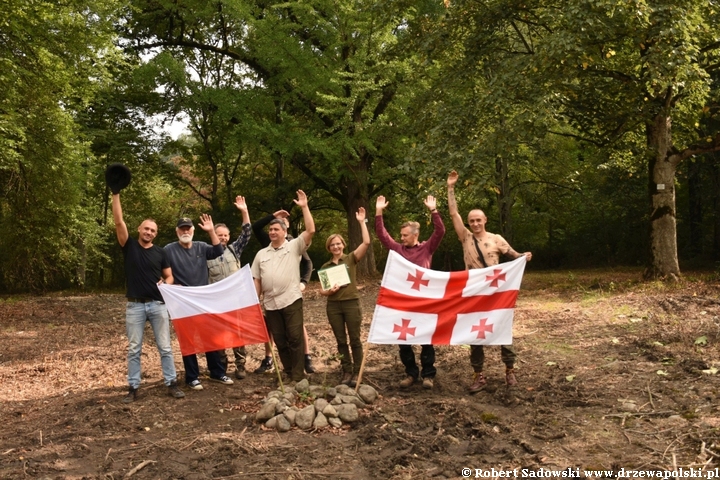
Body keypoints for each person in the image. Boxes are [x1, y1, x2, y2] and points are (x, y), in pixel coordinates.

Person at [447, 170, 532, 392]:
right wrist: (450, 188)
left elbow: (513, 255)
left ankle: (510, 372)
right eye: (471, 221)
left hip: (496, 293)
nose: (475, 223)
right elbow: (453, 213)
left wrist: (523, 256)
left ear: (485, 220)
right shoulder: (465, 237)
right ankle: (479, 375)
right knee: (475, 334)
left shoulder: (496, 239)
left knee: (503, 332)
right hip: (474, 293)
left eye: (478, 220)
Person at [111, 192, 185, 403]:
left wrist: (166, 283)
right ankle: (133, 387)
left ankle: (171, 383)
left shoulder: (161, 252)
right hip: (135, 306)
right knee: (134, 349)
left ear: (156, 234)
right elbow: (118, 221)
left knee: (165, 347)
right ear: (139, 230)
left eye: (152, 230)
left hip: (158, 306)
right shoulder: (129, 246)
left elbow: (169, 276)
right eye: (146, 229)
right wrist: (116, 194)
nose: (149, 232)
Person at [375, 194, 445, 389]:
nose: (402, 237)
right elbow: (383, 235)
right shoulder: (398, 250)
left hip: (424, 302)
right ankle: (411, 373)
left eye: (405, 235)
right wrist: (378, 212)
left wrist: (434, 210)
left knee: (426, 339)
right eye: (401, 235)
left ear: (415, 235)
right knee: (403, 339)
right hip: (403, 303)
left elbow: (440, 231)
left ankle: (428, 375)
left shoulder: (427, 248)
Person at [251, 190, 315, 383]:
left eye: (276, 229)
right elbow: (257, 280)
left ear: (284, 232)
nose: (272, 232)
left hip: (291, 299)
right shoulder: (261, 254)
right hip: (270, 303)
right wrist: (255, 302)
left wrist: (304, 207)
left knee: (295, 338)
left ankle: (298, 376)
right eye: (270, 230)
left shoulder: (294, 246)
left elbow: (310, 230)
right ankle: (289, 373)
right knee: (280, 340)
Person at [165, 214, 232, 390]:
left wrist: (211, 231)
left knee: (211, 338)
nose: (185, 231)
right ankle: (192, 377)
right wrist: (167, 283)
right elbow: (161, 269)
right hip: (182, 303)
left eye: (188, 228)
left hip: (203, 302)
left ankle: (217, 372)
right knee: (189, 341)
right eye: (182, 228)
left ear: (193, 230)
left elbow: (218, 251)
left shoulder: (201, 247)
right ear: (177, 231)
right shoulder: (169, 250)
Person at [319, 207, 371, 387]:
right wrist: (330, 291)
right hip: (333, 306)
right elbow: (322, 291)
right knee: (341, 341)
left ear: (343, 245)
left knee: (355, 339)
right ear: (329, 247)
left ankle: (358, 371)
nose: (336, 247)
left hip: (351, 304)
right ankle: (346, 370)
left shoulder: (350, 259)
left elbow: (366, 242)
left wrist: (361, 222)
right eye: (332, 244)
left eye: (338, 244)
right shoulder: (325, 266)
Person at [207, 196, 252, 379]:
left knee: (237, 333)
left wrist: (244, 211)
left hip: (236, 301)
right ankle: (221, 364)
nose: (223, 238)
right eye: (220, 235)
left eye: (225, 235)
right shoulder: (206, 253)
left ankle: (240, 365)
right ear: (213, 236)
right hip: (216, 302)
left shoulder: (235, 249)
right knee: (218, 335)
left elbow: (247, 233)